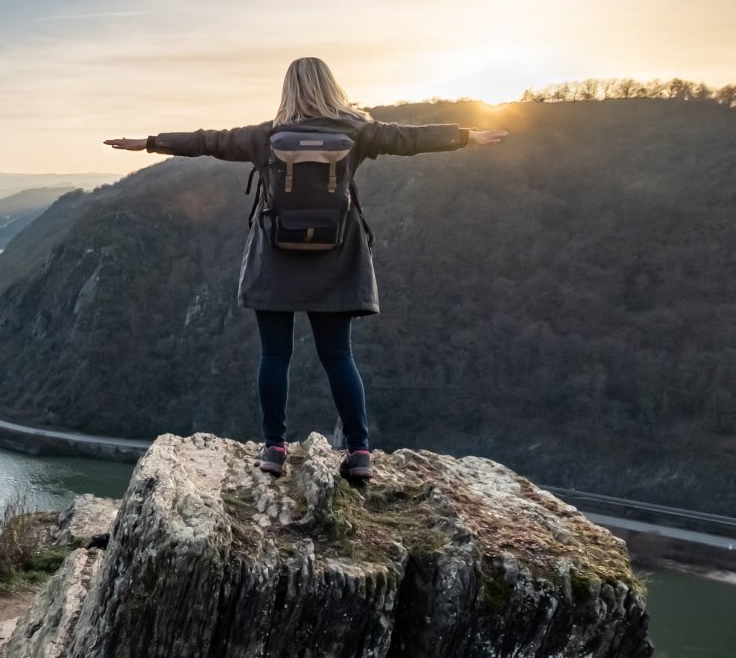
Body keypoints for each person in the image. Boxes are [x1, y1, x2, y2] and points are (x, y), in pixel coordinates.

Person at [104, 57, 506, 484]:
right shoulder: (356, 132)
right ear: (332, 87)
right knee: (338, 356)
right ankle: (359, 451)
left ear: (288, 90)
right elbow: (409, 138)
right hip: (336, 255)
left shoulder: (265, 137)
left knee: (274, 355)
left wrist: (149, 141)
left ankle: (274, 448)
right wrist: (464, 136)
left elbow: (208, 140)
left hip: (275, 256)